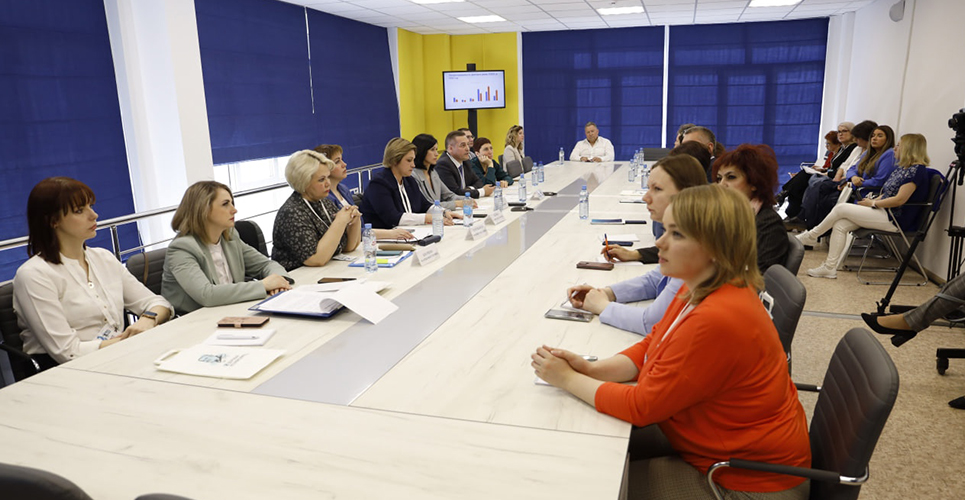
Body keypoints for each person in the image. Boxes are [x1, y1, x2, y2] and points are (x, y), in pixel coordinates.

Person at [533, 185, 810, 499]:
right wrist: (592, 369)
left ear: (716, 247)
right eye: (665, 230)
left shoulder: (718, 316)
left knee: (591, 484)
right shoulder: (700, 284)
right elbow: (654, 341)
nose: (659, 242)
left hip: (749, 481)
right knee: (587, 447)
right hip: (717, 442)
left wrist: (567, 379)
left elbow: (641, 407)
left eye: (676, 234)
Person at [13, 177, 173, 368]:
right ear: (53, 221)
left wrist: (148, 319)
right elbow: (68, 352)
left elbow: (159, 303)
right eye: (79, 210)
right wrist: (129, 341)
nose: (94, 215)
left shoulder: (103, 258)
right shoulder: (34, 275)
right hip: (69, 371)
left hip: (120, 356)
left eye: (91, 206)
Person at [568, 155, 706, 335]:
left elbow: (652, 323)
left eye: (657, 189)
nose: (645, 197)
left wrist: (603, 306)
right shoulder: (686, 234)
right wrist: (606, 293)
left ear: (686, 193)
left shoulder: (695, 247)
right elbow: (655, 281)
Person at [797, 133, 930, 278]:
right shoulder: (903, 168)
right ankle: (829, 268)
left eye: (899, 145)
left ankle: (812, 235)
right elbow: (887, 193)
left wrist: (873, 203)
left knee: (841, 208)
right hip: (884, 211)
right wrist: (872, 202)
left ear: (909, 149)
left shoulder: (916, 171)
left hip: (895, 218)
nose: (895, 148)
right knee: (841, 225)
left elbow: (899, 200)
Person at [162, 181, 292, 315]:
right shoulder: (181, 248)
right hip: (196, 319)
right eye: (225, 204)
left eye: (232, 203)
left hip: (233, 310)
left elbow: (265, 264)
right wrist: (263, 285)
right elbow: (206, 295)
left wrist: (279, 282)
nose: (234, 210)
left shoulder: (229, 236)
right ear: (203, 210)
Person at [271, 150, 361, 271]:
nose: (328, 183)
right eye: (321, 179)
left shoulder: (324, 202)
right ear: (304, 182)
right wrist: (340, 221)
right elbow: (316, 259)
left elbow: (347, 247)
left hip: (326, 271)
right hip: (298, 277)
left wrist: (354, 221)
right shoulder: (291, 212)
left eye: (328, 177)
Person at [314, 144, 416, 242]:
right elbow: (344, 234)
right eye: (337, 162)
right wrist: (390, 234)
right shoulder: (324, 198)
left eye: (342, 159)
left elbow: (360, 225)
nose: (344, 164)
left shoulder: (344, 189)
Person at [714, 144, 790, 272]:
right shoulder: (729, 215)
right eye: (719, 179)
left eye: (731, 177)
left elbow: (759, 276)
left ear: (754, 182)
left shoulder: (767, 223)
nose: (721, 185)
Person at [793, 120, 878, 230]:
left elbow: (859, 172)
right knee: (814, 181)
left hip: (850, 184)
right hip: (842, 178)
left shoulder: (868, 152)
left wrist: (847, 177)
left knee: (818, 185)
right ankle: (804, 219)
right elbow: (846, 166)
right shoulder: (857, 149)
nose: (856, 139)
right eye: (839, 132)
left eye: (844, 131)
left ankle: (808, 223)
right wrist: (840, 176)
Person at [359, 137, 457, 230]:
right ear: (395, 160)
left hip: (409, 233)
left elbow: (425, 205)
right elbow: (393, 218)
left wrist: (443, 212)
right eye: (409, 160)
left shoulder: (409, 180)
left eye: (413, 160)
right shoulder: (379, 184)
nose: (413, 165)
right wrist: (428, 218)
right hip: (383, 237)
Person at [777, 125, 854, 219]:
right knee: (799, 185)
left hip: (835, 178)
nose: (840, 134)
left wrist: (826, 172)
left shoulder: (852, 149)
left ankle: (786, 196)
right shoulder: (842, 149)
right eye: (839, 131)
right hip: (830, 174)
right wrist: (824, 170)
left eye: (844, 131)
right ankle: (789, 204)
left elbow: (842, 168)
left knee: (802, 179)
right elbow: (834, 167)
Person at [411, 133, 473, 210]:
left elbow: (449, 196)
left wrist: (466, 199)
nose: (436, 154)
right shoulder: (413, 176)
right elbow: (427, 205)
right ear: (422, 151)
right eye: (432, 150)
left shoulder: (433, 173)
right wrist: (456, 204)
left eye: (436, 150)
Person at [435, 130, 494, 199]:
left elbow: (478, 182)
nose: (467, 149)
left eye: (468, 145)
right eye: (463, 145)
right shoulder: (443, 165)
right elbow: (454, 193)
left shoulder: (466, 161)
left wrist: (468, 189)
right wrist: (481, 191)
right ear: (450, 148)